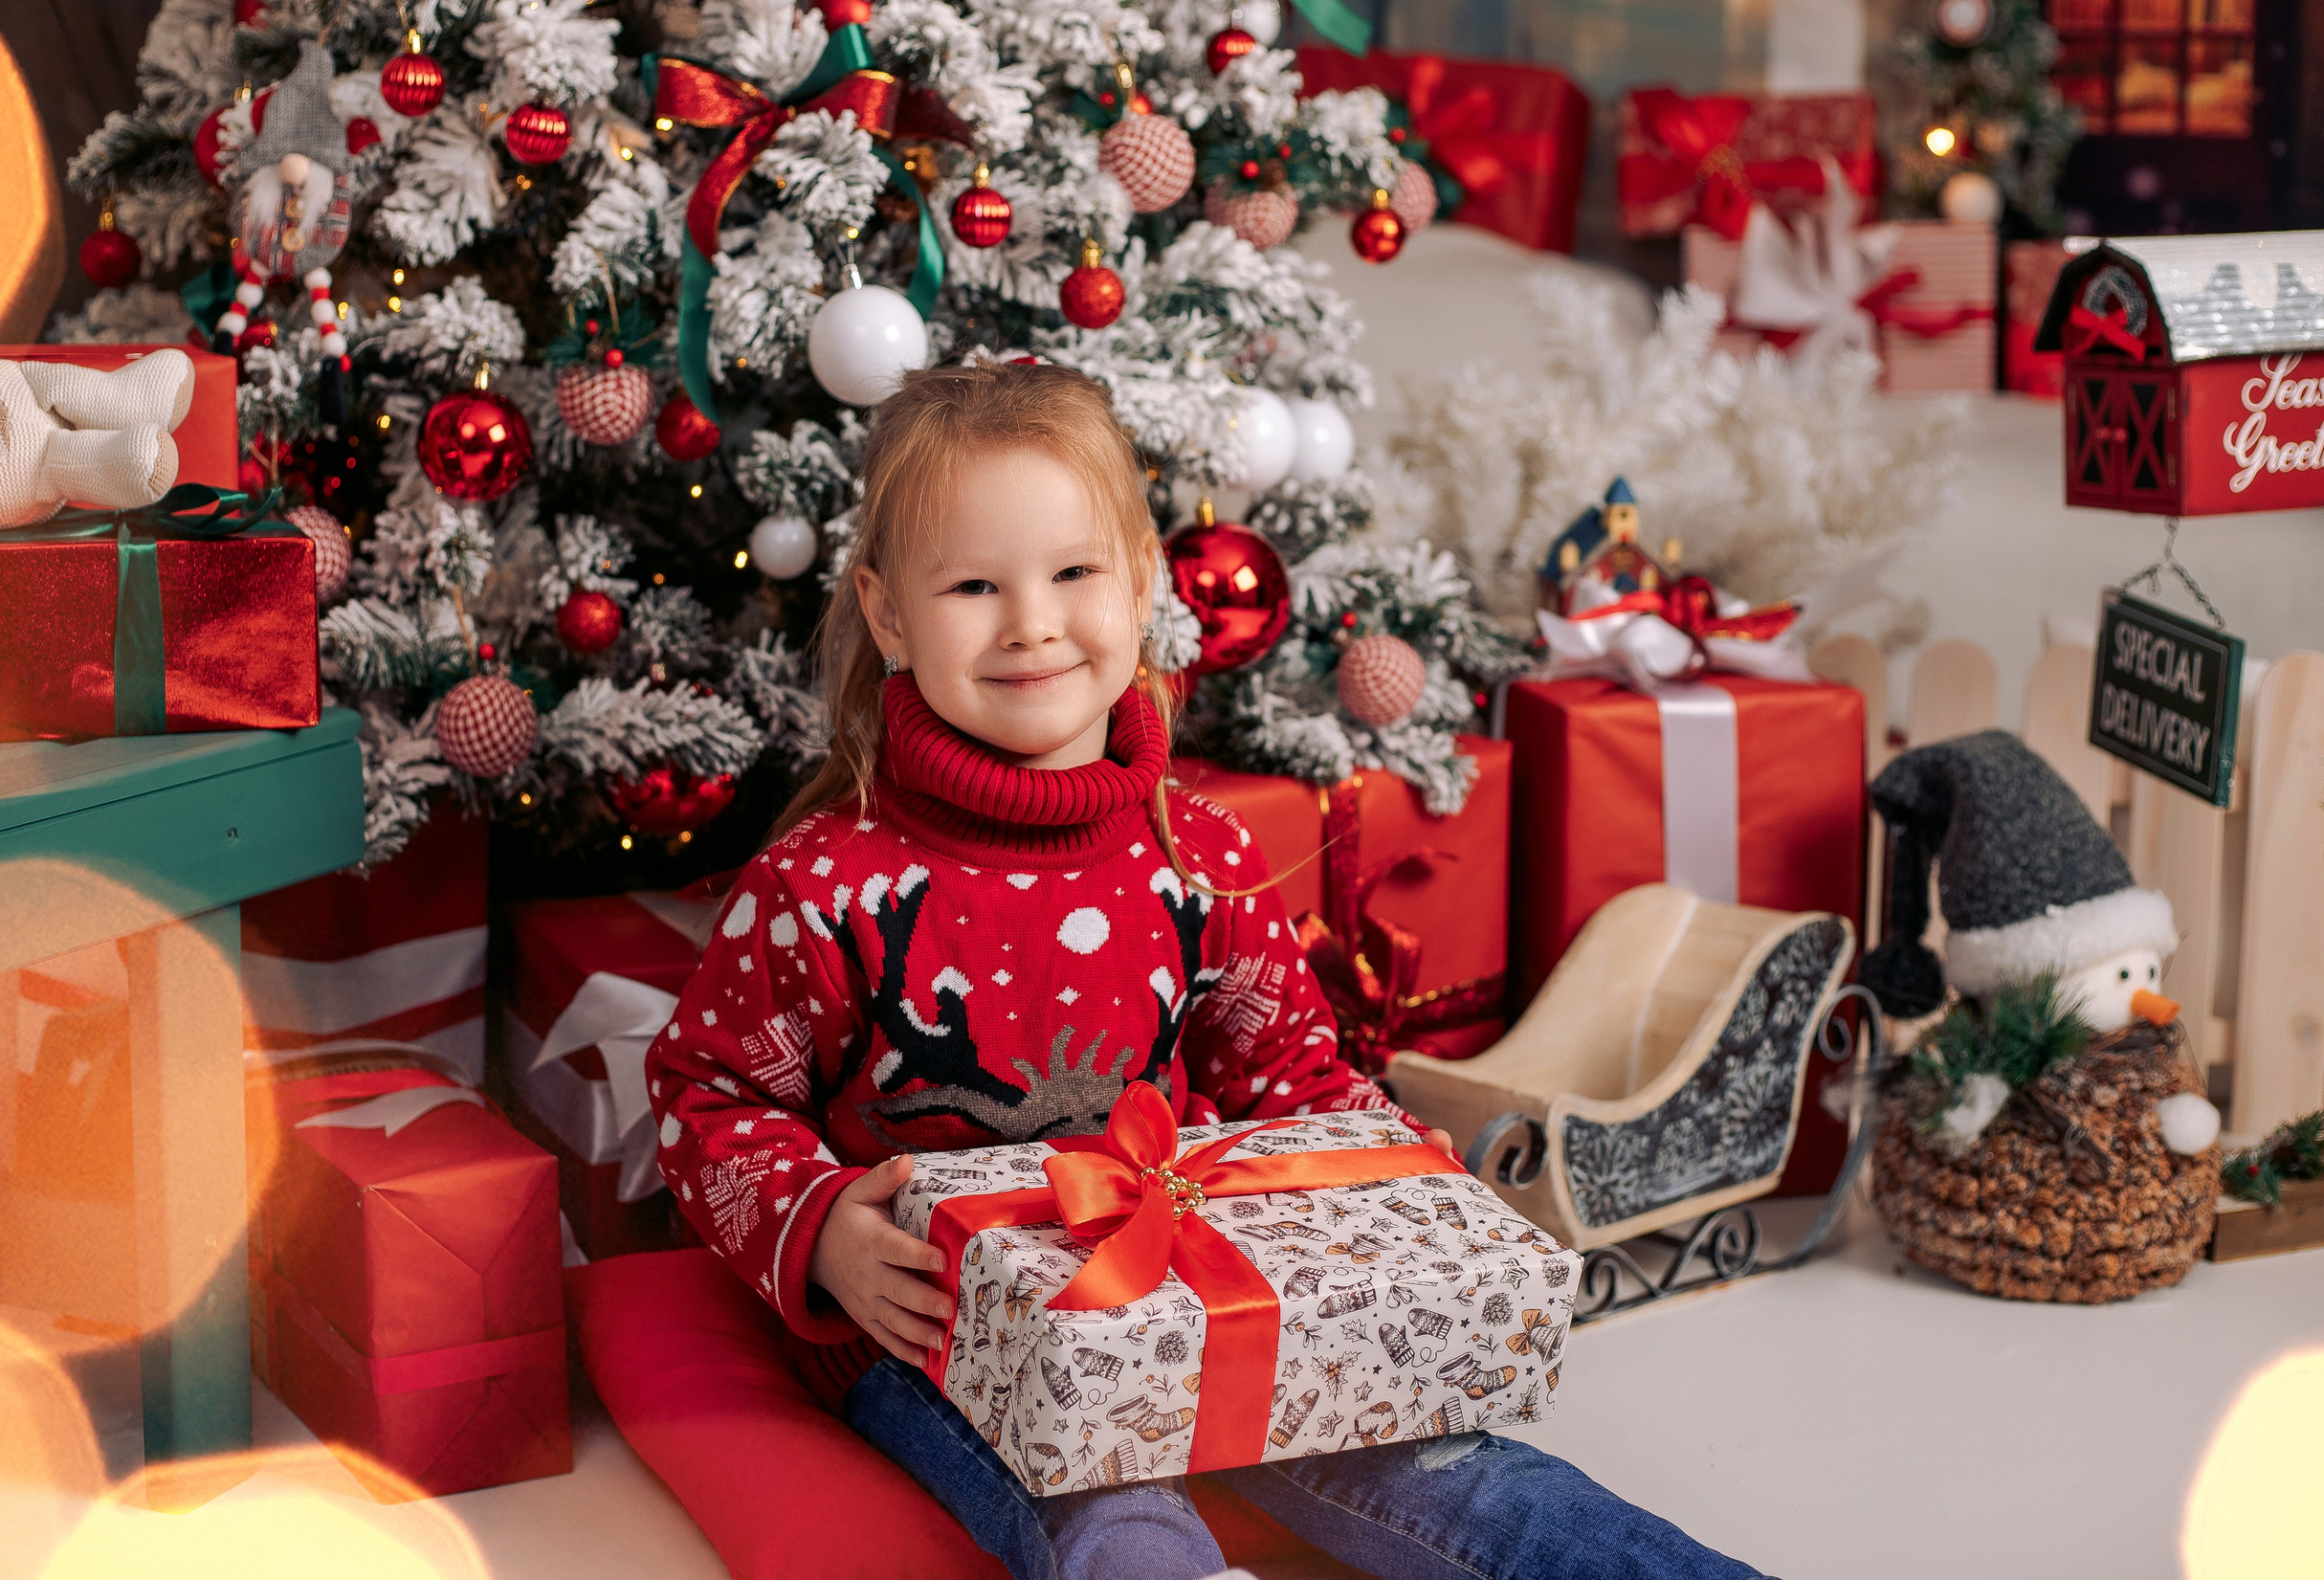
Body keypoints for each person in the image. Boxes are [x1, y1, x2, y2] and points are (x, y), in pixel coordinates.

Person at [645, 362, 1760, 1580]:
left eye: (1072, 573)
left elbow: (1290, 1072)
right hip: (937, 1334)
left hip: (1198, 1289)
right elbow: (711, 1097)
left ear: (1139, 581)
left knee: (1468, 1476)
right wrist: (821, 1235)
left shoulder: (1201, 854)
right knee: (1107, 1521)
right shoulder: (826, 885)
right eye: (974, 585)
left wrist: (1389, 1173)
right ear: (890, 612)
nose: (1030, 622)